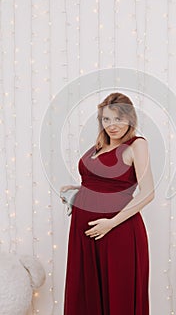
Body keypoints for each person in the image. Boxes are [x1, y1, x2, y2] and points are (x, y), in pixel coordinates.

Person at [60, 92, 155, 315]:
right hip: (85, 234)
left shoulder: (136, 145)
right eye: (106, 119)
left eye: (118, 119)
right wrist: (79, 191)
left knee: (118, 295)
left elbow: (148, 192)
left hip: (117, 231)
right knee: (87, 296)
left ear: (130, 119)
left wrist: (110, 224)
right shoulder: (99, 147)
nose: (112, 125)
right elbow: (106, 182)